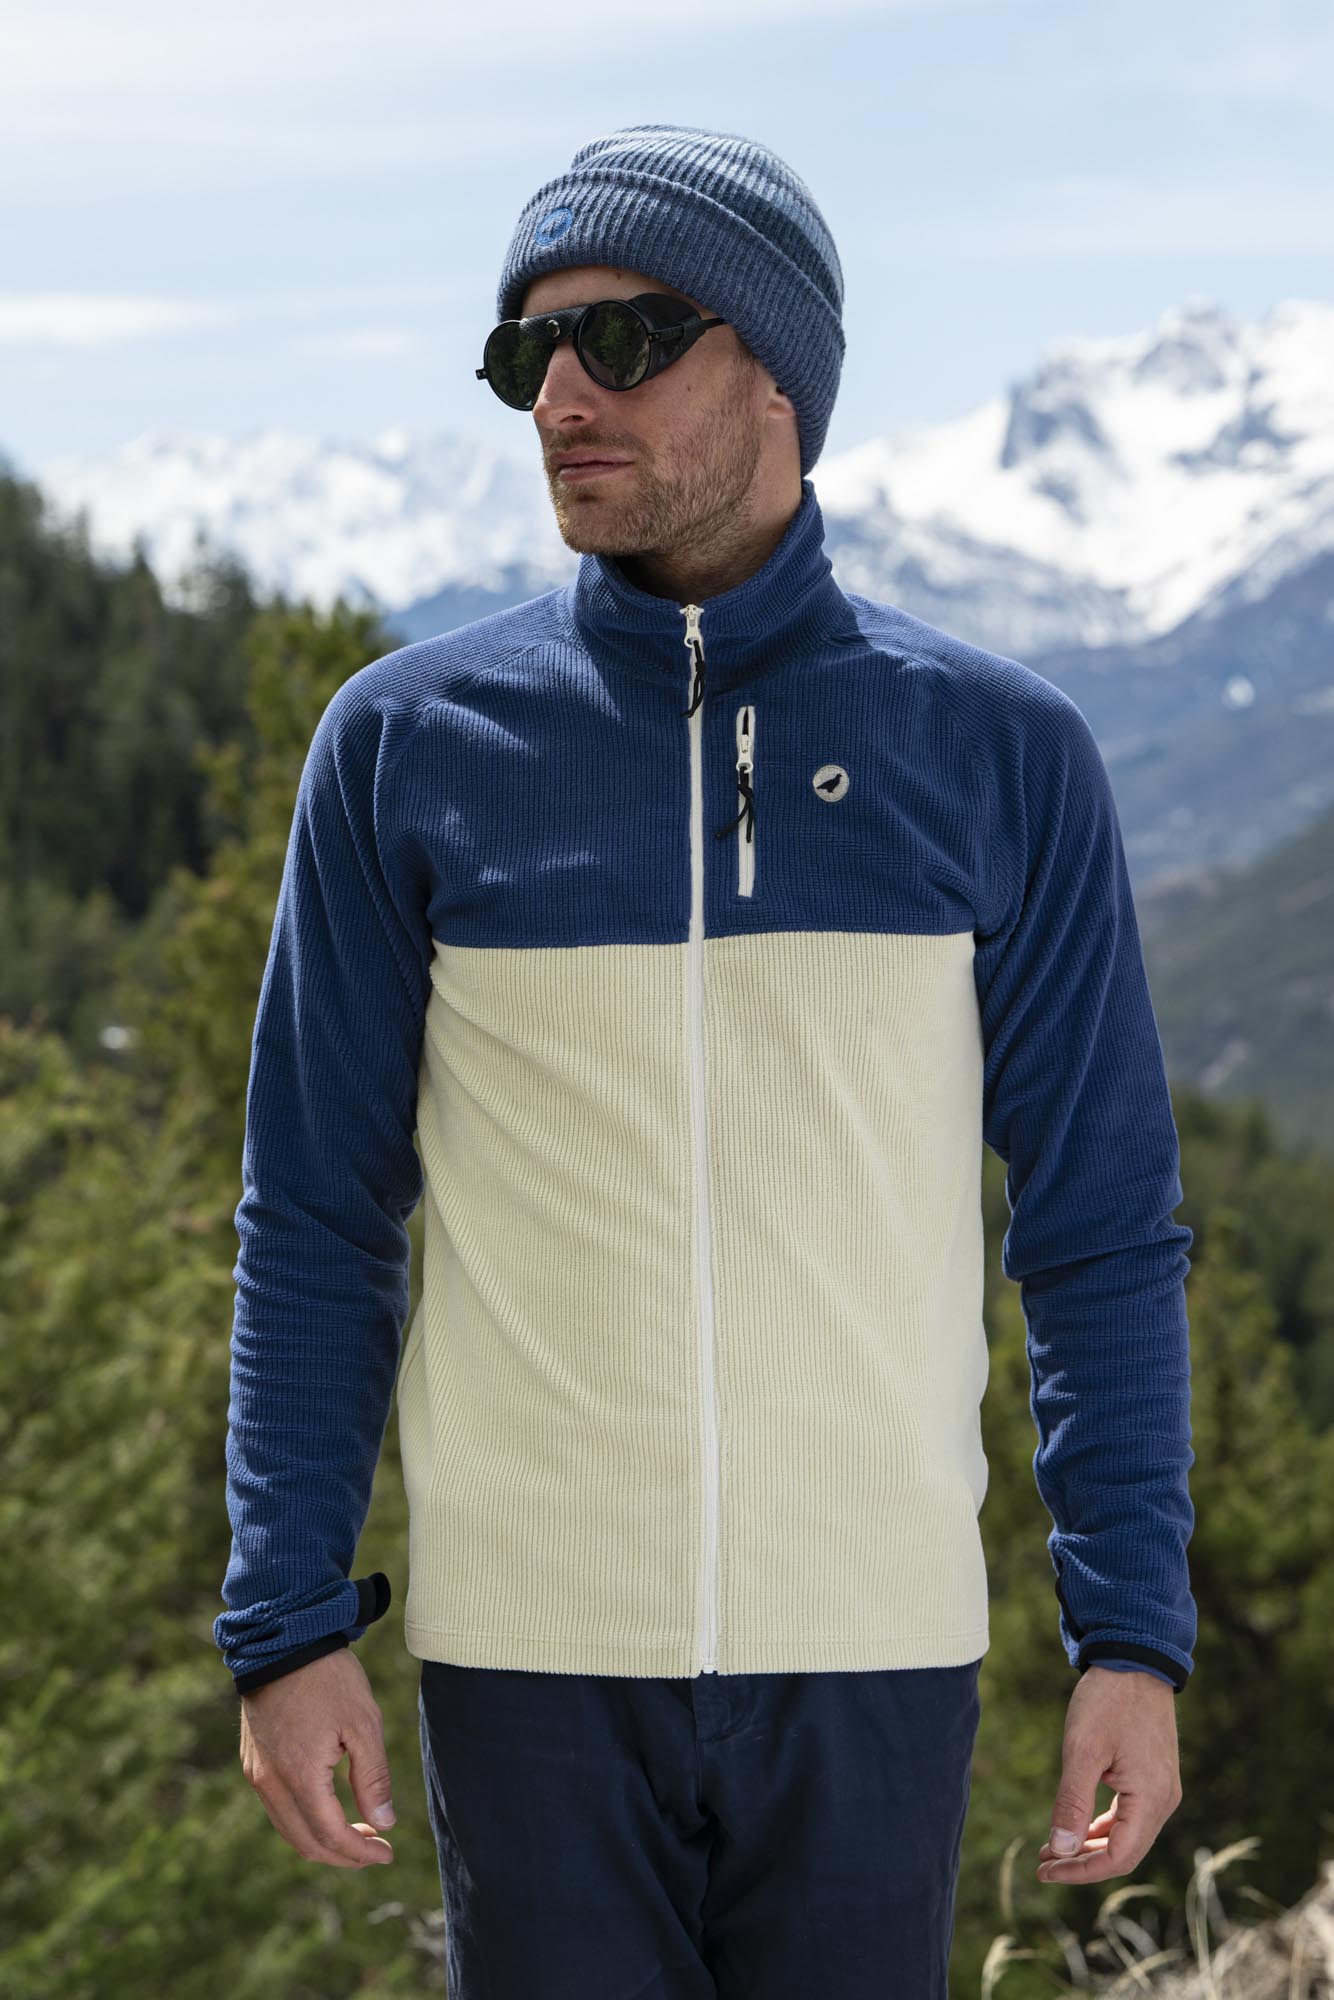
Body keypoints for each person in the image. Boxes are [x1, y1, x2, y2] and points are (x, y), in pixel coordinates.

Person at [215, 124, 1194, 1996]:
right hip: (526, 1656)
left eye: (626, 338)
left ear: (777, 377)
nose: (561, 396)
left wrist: (1130, 1635)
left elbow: (1096, 1231)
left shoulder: (999, 753)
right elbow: (316, 1217)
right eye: (528, 353)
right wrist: (286, 1618)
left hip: (877, 1649)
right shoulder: (404, 749)